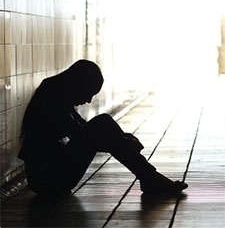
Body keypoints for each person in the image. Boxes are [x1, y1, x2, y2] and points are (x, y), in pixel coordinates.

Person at [18, 59, 188, 196]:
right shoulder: (51, 96)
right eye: (88, 93)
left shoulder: (56, 90)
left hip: (51, 175)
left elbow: (83, 129)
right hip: (47, 180)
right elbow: (82, 133)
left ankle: (149, 177)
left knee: (103, 123)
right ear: (78, 83)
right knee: (103, 122)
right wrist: (122, 142)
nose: (88, 101)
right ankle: (150, 177)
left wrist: (123, 138)